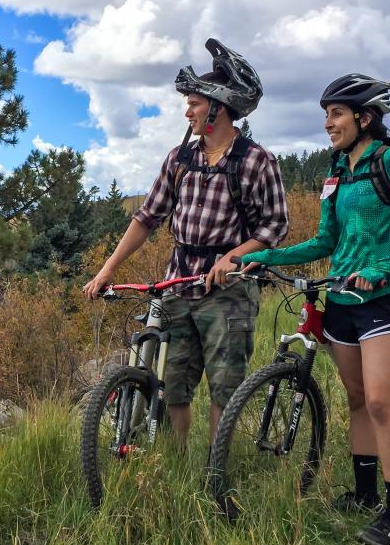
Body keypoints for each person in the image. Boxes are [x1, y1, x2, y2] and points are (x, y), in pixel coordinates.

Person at [240, 74, 390, 545]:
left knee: (379, 401)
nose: (328, 123)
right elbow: (326, 241)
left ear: (364, 117)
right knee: (355, 400)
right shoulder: (337, 169)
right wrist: (264, 256)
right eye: (326, 114)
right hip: (341, 300)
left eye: (336, 113)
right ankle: (365, 493)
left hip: (385, 297)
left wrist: (383, 266)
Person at [82, 40, 289, 449]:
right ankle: (176, 465)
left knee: (224, 389)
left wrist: (235, 256)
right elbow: (146, 217)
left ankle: (215, 474)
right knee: (175, 385)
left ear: (219, 107)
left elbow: (276, 224)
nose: (187, 111)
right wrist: (108, 269)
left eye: (194, 102)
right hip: (179, 284)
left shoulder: (255, 160)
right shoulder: (180, 158)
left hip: (228, 291)